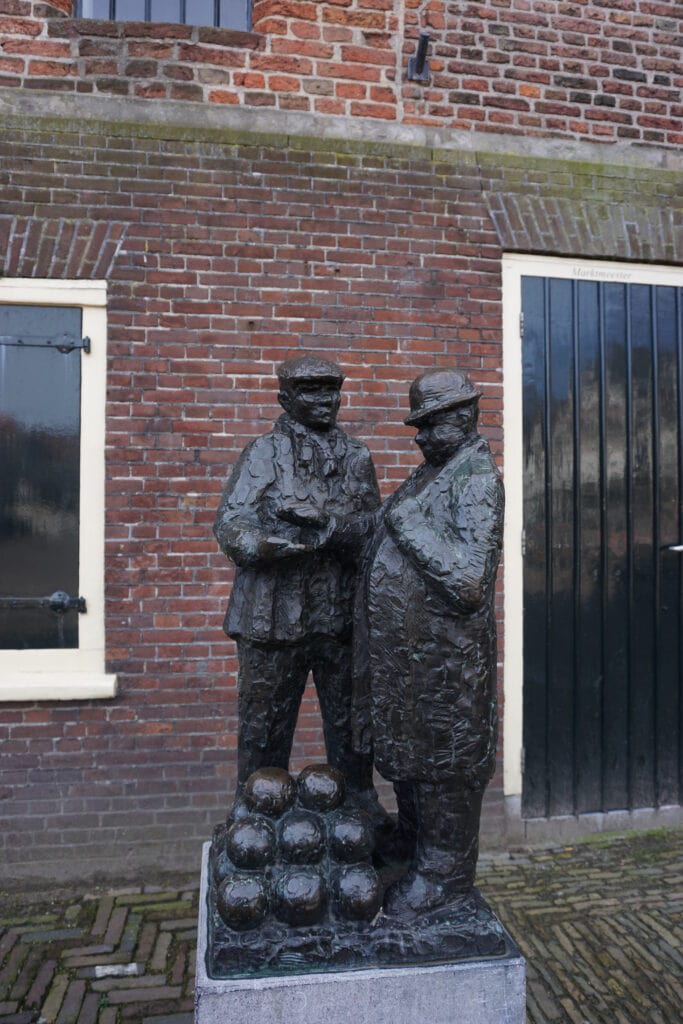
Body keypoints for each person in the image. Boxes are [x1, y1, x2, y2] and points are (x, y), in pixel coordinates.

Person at [353, 368, 505, 916]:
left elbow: (468, 582)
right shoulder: (433, 473)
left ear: (461, 419)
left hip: (448, 667)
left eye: (428, 426)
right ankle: (417, 847)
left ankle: (446, 876)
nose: (417, 437)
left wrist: (410, 526)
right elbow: (388, 522)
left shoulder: (478, 481)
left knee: (445, 765)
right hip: (412, 664)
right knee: (412, 760)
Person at [214, 355, 383, 811]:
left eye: (331, 390)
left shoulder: (357, 456)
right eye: (311, 391)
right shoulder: (262, 454)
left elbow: (373, 528)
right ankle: (252, 815)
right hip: (271, 615)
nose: (325, 401)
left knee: (351, 732)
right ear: (284, 398)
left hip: (340, 616)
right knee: (263, 732)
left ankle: (356, 818)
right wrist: (264, 546)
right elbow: (231, 524)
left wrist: (336, 529)